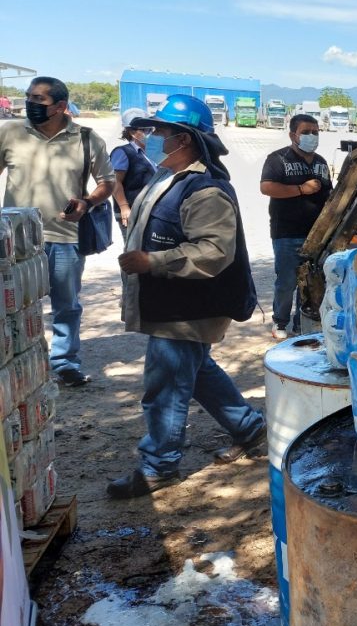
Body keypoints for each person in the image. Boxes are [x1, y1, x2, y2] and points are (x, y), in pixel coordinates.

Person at [107, 94, 266, 499]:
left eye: (161, 131)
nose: (153, 136)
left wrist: (152, 262)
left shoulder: (205, 190)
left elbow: (213, 252)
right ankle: (250, 429)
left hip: (187, 309)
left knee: (165, 383)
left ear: (185, 140)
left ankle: (160, 465)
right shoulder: (169, 178)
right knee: (197, 373)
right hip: (175, 305)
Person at [0, 76, 116, 387]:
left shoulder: (87, 138)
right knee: (12, 304)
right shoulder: (9, 132)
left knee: (66, 305)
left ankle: (64, 362)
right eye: (28, 97)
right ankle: (16, 360)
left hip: (64, 239)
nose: (30, 104)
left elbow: (107, 183)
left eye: (39, 99)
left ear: (61, 106)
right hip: (15, 244)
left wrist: (87, 202)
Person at [259, 113, 333, 339]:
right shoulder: (278, 159)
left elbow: (329, 194)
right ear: (293, 135)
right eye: (306, 132)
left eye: (315, 132)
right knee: (287, 281)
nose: (312, 136)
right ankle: (280, 322)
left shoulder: (320, 162)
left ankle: (302, 323)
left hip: (316, 235)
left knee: (310, 281)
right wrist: (300, 189)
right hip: (286, 233)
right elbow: (267, 187)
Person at [111, 108, 157, 238]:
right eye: (145, 130)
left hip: (150, 211)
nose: (149, 134)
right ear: (132, 132)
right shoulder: (123, 153)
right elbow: (115, 182)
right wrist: (124, 207)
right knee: (134, 252)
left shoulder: (152, 152)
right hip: (131, 213)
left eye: (151, 130)